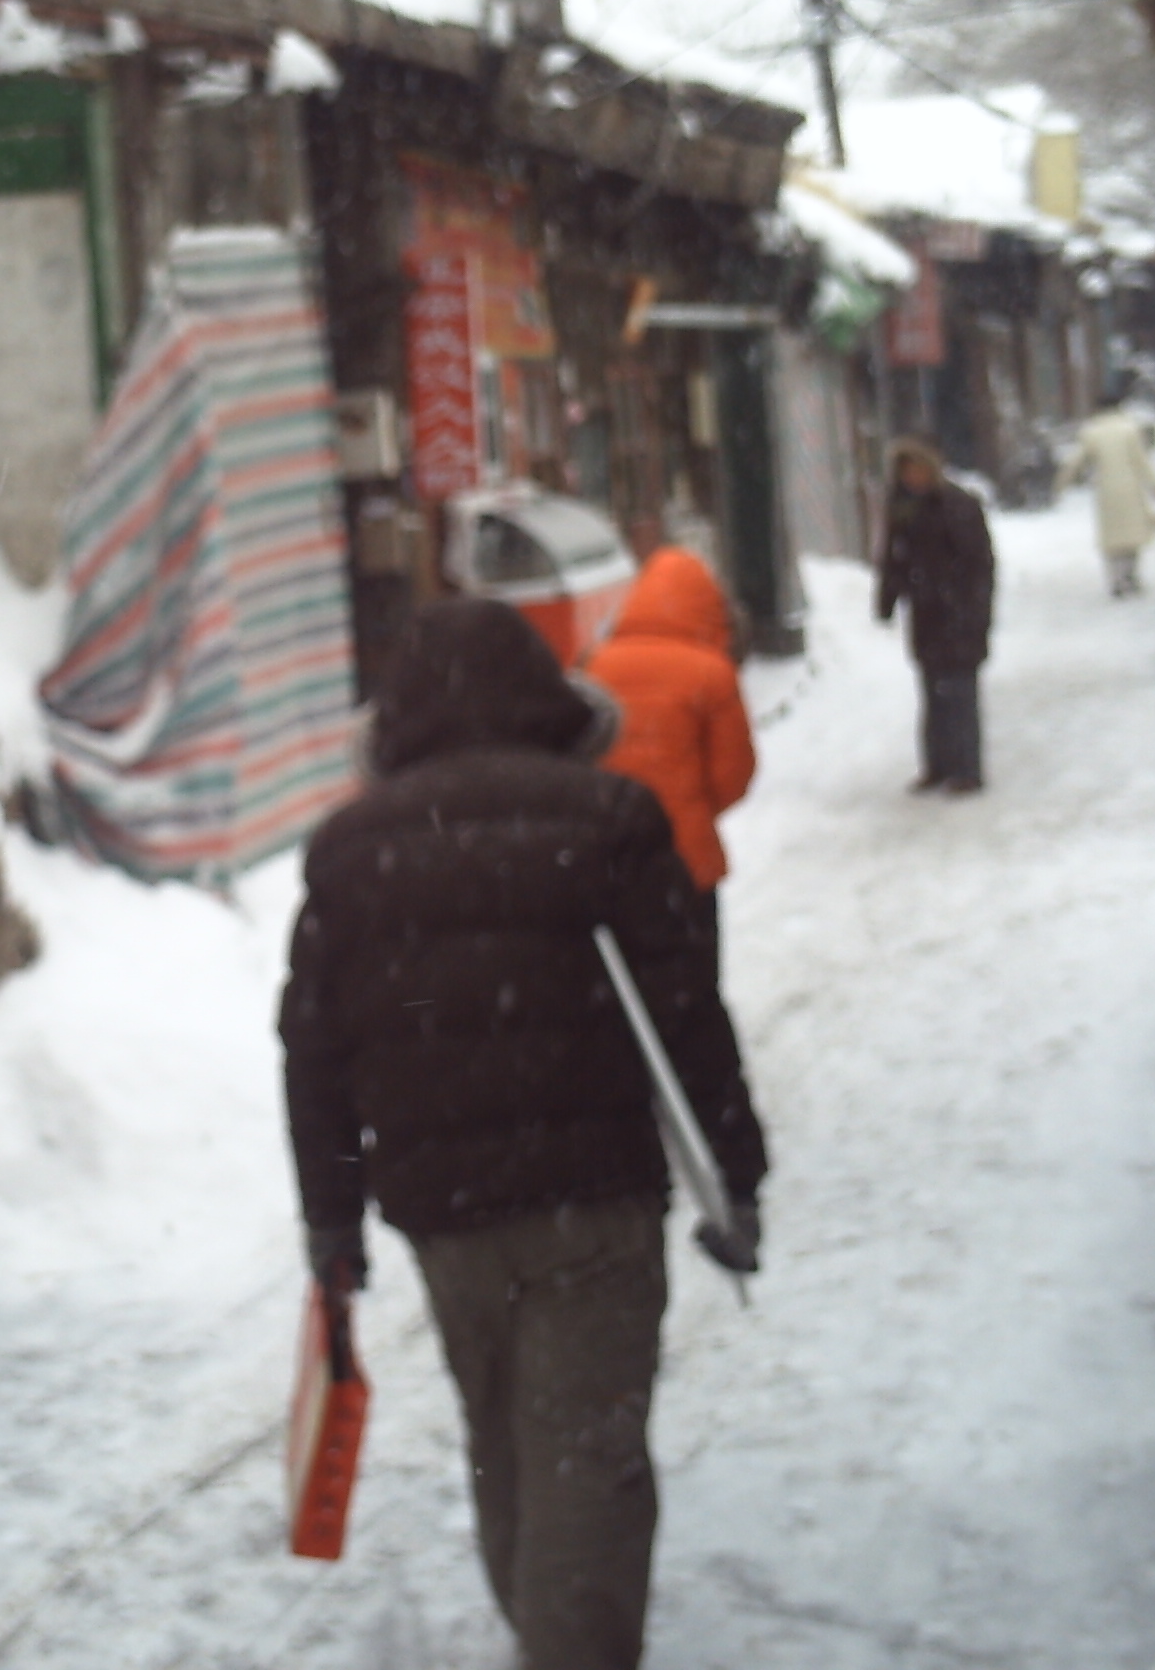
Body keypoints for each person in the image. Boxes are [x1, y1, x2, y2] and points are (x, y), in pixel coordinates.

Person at [278, 598, 769, 1670]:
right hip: (593, 1200)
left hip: (443, 1217)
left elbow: (312, 1053)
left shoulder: (350, 852)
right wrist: (736, 1170)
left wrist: (333, 1221)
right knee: (585, 1458)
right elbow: (687, 1011)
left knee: (503, 1442)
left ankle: (544, 1635)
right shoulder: (608, 818)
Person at [584, 547, 756, 967]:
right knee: (693, 987)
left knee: (626, 993)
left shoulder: (594, 667)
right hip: (686, 861)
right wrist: (692, 809)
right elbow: (734, 773)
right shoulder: (712, 673)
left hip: (611, 862)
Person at [876, 439, 995, 795]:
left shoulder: (958, 506)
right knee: (933, 690)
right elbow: (894, 558)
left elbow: (979, 564)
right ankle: (938, 765)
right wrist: (887, 599)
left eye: (917, 469)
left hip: (959, 612)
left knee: (959, 691)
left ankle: (967, 768)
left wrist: (975, 611)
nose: (913, 477)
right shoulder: (903, 509)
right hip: (927, 613)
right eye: (906, 471)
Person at [1059, 388, 1155, 597]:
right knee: (1133, 535)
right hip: (1130, 488)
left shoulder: (1091, 431)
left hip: (1106, 490)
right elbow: (1140, 460)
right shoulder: (1129, 429)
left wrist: (1062, 481)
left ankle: (1116, 579)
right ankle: (1131, 575)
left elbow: (1077, 460)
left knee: (1112, 538)